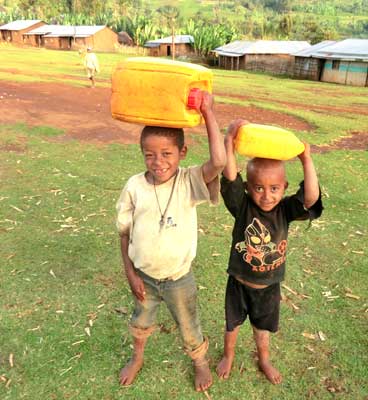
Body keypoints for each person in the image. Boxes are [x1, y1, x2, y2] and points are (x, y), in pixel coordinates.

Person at [116, 92, 226, 392]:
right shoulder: (134, 186)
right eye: (149, 154)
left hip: (179, 279)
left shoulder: (189, 181)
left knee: (189, 326)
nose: (158, 161)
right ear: (141, 153)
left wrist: (208, 113)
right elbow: (124, 232)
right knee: (140, 322)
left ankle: (200, 363)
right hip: (144, 278)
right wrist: (130, 273)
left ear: (182, 152)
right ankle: (137, 358)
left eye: (167, 153)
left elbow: (219, 161)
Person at [216, 119, 323, 385]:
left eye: (274, 188)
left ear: (285, 188)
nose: (266, 195)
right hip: (239, 283)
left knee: (262, 328)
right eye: (258, 187)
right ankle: (228, 355)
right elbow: (230, 177)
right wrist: (229, 141)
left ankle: (263, 358)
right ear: (248, 188)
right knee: (232, 325)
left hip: (269, 286)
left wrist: (306, 160)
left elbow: (310, 199)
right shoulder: (242, 207)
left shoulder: (285, 210)